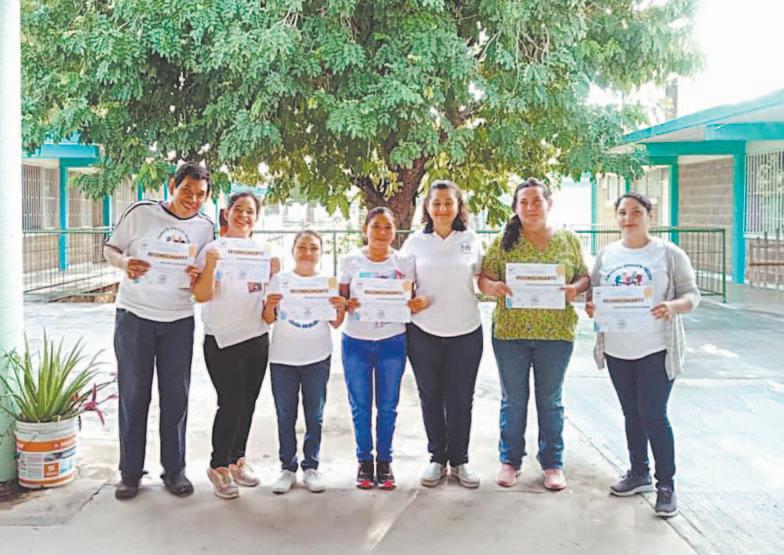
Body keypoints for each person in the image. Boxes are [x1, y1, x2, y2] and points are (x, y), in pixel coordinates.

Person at [104, 162, 214, 500]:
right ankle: (130, 473)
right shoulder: (141, 213)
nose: (192, 199)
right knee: (134, 395)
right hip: (135, 316)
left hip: (178, 320)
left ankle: (175, 470)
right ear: (172, 185)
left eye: (200, 194)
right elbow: (110, 248)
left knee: (176, 397)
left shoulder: (205, 228)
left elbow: (205, 276)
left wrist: (198, 276)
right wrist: (124, 263)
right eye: (186, 191)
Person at [585, 191, 699, 518]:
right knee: (631, 414)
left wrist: (673, 306)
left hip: (656, 349)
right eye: (623, 212)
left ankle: (666, 485)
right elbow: (595, 296)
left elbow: (692, 295)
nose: (628, 218)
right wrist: (592, 307)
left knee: (654, 416)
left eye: (636, 211)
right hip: (618, 350)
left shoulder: (668, 254)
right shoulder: (606, 255)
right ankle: (639, 473)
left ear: (650, 216)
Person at [479, 178, 589, 491]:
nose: (530, 207)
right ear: (515, 207)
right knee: (513, 400)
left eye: (536, 201)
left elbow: (584, 276)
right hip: (510, 333)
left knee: (550, 400)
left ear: (549, 204)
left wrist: (574, 289)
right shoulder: (502, 242)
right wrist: (494, 287)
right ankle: (510, 460)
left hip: (556, 333)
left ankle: (552, 463)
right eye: (523, 202)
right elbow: (484, 279)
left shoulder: (568, 239)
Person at [193, 191, 278, 500]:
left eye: (250, 211)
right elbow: (201, 295)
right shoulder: (212, 249)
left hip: (256, 336)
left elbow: (268, 308)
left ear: (256, 218)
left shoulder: (263, 252)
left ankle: (237, 459)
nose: (244, 215)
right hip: (222, 338)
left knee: (249, 402)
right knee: (231, 403)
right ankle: (218, 466)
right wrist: (211, 264)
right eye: (238, 209)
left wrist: (275, 277)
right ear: (226, 213)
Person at [400, 180, 484, 488]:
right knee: (430, 396)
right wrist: (411, 299)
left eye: (449, 202)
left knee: (461, 399)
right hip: (424, 332)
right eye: (436, 203)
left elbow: (482, 279)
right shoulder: (414, 243)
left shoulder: (471, 240)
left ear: (459, 207)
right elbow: (403, 285)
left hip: (466, 331)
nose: (443, 208)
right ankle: (437, 458)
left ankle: (460, 461)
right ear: (427, 207)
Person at [263, 230, 346, 494]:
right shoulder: (280, 280)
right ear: (293, 250)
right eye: (301, 247)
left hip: (317, 357)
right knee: (285, 415)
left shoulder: (328, 282)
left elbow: (335, 323)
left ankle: (311, 466)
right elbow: (268, 319)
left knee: (315, 415)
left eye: (313, 247)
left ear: (320, 252)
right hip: (282, 358)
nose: (307, 252)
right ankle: (287, 468)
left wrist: (341, 307)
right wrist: (270, 304)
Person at [339, 207, 416, 489]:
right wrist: (346, 304)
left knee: (387, 406)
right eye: (376, 227)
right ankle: (364, 461)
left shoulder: (404, 262)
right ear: (365, 230)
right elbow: (341, 301)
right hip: (355, 342)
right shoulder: (349, 260)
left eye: (387, 227)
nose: (382, 233)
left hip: (392, 341)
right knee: (360, 406)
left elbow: (411, 296)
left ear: (394, 231)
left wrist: (413, 303)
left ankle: (384, 462)